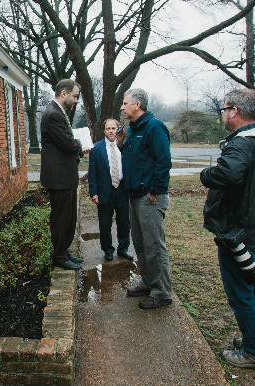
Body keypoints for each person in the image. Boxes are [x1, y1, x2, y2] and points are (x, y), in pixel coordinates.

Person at [200, 88, 255, 372]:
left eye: (224, 108)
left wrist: (207, 175)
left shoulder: (241, 144)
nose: (223, 113)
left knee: (242, 293)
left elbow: (230, 173)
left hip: (242, 236)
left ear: (234, 111)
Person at [119, 88, 172, 309]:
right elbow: (136, 161)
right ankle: (148, 282)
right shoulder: (134, 130)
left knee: (154, 246)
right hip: (134, 195)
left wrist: (154, 191)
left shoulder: (154, 127)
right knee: (140, 244)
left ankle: (162, 292)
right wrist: (122, 144)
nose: (122, 107)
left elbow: (163, 161)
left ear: (137, 104)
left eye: (125, 103)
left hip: (149, 197)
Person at [40, 79, 90, 270]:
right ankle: (59, 255)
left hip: (65, 176)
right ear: (63, 93)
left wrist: (75, 143)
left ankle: (64, 250)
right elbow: (68, 143)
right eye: (75, 96)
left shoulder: (58, 113)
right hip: (59, 178)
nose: (76, 100)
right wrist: (80, 145)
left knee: (69, 216)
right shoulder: (53, 114)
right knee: (61, 218)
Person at [88, 118, 132, 262]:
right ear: (104, 130)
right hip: (104, 190)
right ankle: (107, 249)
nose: (111, 131)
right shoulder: (97, 148)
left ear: (118, 129)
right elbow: (92, 172)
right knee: (105, 222)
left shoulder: (125, 146)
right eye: (108, 129)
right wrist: (93, 192)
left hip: (122, 189)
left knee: (124, 220)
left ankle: (123, 248)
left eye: (113, 128)